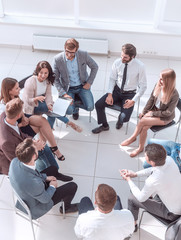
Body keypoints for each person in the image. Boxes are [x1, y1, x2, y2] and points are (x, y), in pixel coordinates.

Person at [0, 97, 72, 183]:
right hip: (15, 162)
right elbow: (17, 161)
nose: (23, 112)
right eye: (22, 111)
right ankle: (46, 177)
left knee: (43, 146)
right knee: (41, 149)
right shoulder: (6, 141)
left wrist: (33, 141)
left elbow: (21, 135)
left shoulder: (6, 115)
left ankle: (55, 173)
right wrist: (33, 147)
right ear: (18, 115)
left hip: (20, 146)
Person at [9, 138, 78, 220]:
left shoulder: (15, 161)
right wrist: (52, 186)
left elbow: (32, 173)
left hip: (28, 190)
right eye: (35, 148)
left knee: (53, 169)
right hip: (38, 203)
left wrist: (46, 177)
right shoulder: (35, 183)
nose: (37, 148)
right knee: (72, 186)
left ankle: (57, 175)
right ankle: (66, 208)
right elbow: (45, 199)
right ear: (34, 156)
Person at [0, 77, 65, 160]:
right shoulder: (2, 108)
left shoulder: (15, 96)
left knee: (42, 120)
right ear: (9, 91)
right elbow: (5, 128)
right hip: (17, 127)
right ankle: (43, 149)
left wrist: (23, 117)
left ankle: (53, 148)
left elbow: (20, 109)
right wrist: (20, 124)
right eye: (17, 88)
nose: (20, 89)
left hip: (21, 118)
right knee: (41, 128)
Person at [120, 143, 181, 231]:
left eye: (145, 156)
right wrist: (135, 174)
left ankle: (133, 226)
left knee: (132, 198)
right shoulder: (169, 160)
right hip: (177, 198)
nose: (145, 156)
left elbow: (141, 198)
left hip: (172, 213)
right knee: (151, 187)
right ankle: (151, 197)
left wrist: (129, 180)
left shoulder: (152, 180)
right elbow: (154, 169)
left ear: (152, 162)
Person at [121, 68, 179, 157]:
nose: (159, 80)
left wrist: (151, 114)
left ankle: (132, 138)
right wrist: (144, 112)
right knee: (144, 128)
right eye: (159, 78)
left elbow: (168, 112)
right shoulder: (158, 85)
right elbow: (151, 100)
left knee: (142, 121)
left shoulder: (174, 94)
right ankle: (140, 148)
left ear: (168, 81)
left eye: (162, 79)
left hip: (165, 117)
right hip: (155, 110)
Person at [92, 43, 147, 134]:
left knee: (124, 117)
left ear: (132, 56)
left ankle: (120, 120)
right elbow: (112, 79)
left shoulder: (140, 66)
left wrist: (133, 100)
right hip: (116, 91)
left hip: (129, 94)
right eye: (121, 56)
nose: (122, 58)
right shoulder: (117, 62)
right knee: (98, 104)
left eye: (125, 57)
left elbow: (143, 86)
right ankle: (105, 126)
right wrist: (110, 94)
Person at [22, 61, 82, 133]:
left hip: (42, 102)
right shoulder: (30, 82)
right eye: (41, 72)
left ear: (48, 73)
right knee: (49, 109)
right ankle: (68, 122)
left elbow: (48, 95)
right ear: (37, 71)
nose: (43, 75)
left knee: (51, 109)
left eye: (46, 73)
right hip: (31, 106)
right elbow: (27, 100)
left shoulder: (47, 81)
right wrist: (36, 98)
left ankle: (49, 129)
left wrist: (49, 104)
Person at [53, 38, 98, 120]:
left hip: (82, 86)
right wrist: (63, 93)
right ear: (64, 47)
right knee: (69, 111)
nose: (69, 55)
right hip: (68, 89)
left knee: (90, 107)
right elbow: (55, 79)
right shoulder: (57, 59)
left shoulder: (83, 54)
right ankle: (75, 110)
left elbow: (95, 67)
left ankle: (75, 106)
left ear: (76, 50)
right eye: (67, 51)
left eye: (72, 52)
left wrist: (89, 82)